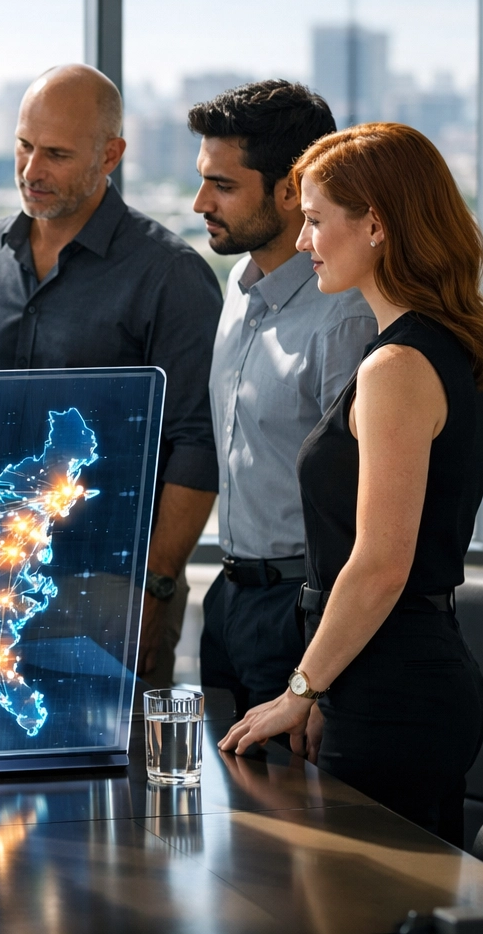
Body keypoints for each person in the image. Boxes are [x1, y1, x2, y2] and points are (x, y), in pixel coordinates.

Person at [221, 123, 483, 845]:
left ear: (374, 224)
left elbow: (380, 564)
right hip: (385, 676)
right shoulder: (426, 348)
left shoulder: (397, 367)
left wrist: (300, 689)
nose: (305, 239)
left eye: (316, 221)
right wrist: (325, 684)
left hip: (397, 690)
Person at [0, 64, 222, 687]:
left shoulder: (168, 275)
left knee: (116, 778)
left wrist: (153, 589)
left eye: (56, 154)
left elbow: (197, 446)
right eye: (23, 145)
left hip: (109, 586)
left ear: (111, 155)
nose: (30, 170)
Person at [187, 81, 376, 720]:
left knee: (308, 814)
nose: (199, 203)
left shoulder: (342, 319)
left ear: (291, 189)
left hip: (304, 612)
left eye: (223, 186)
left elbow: (360, 518)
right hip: (230, 599)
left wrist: (319, 680)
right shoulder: (239, 293)